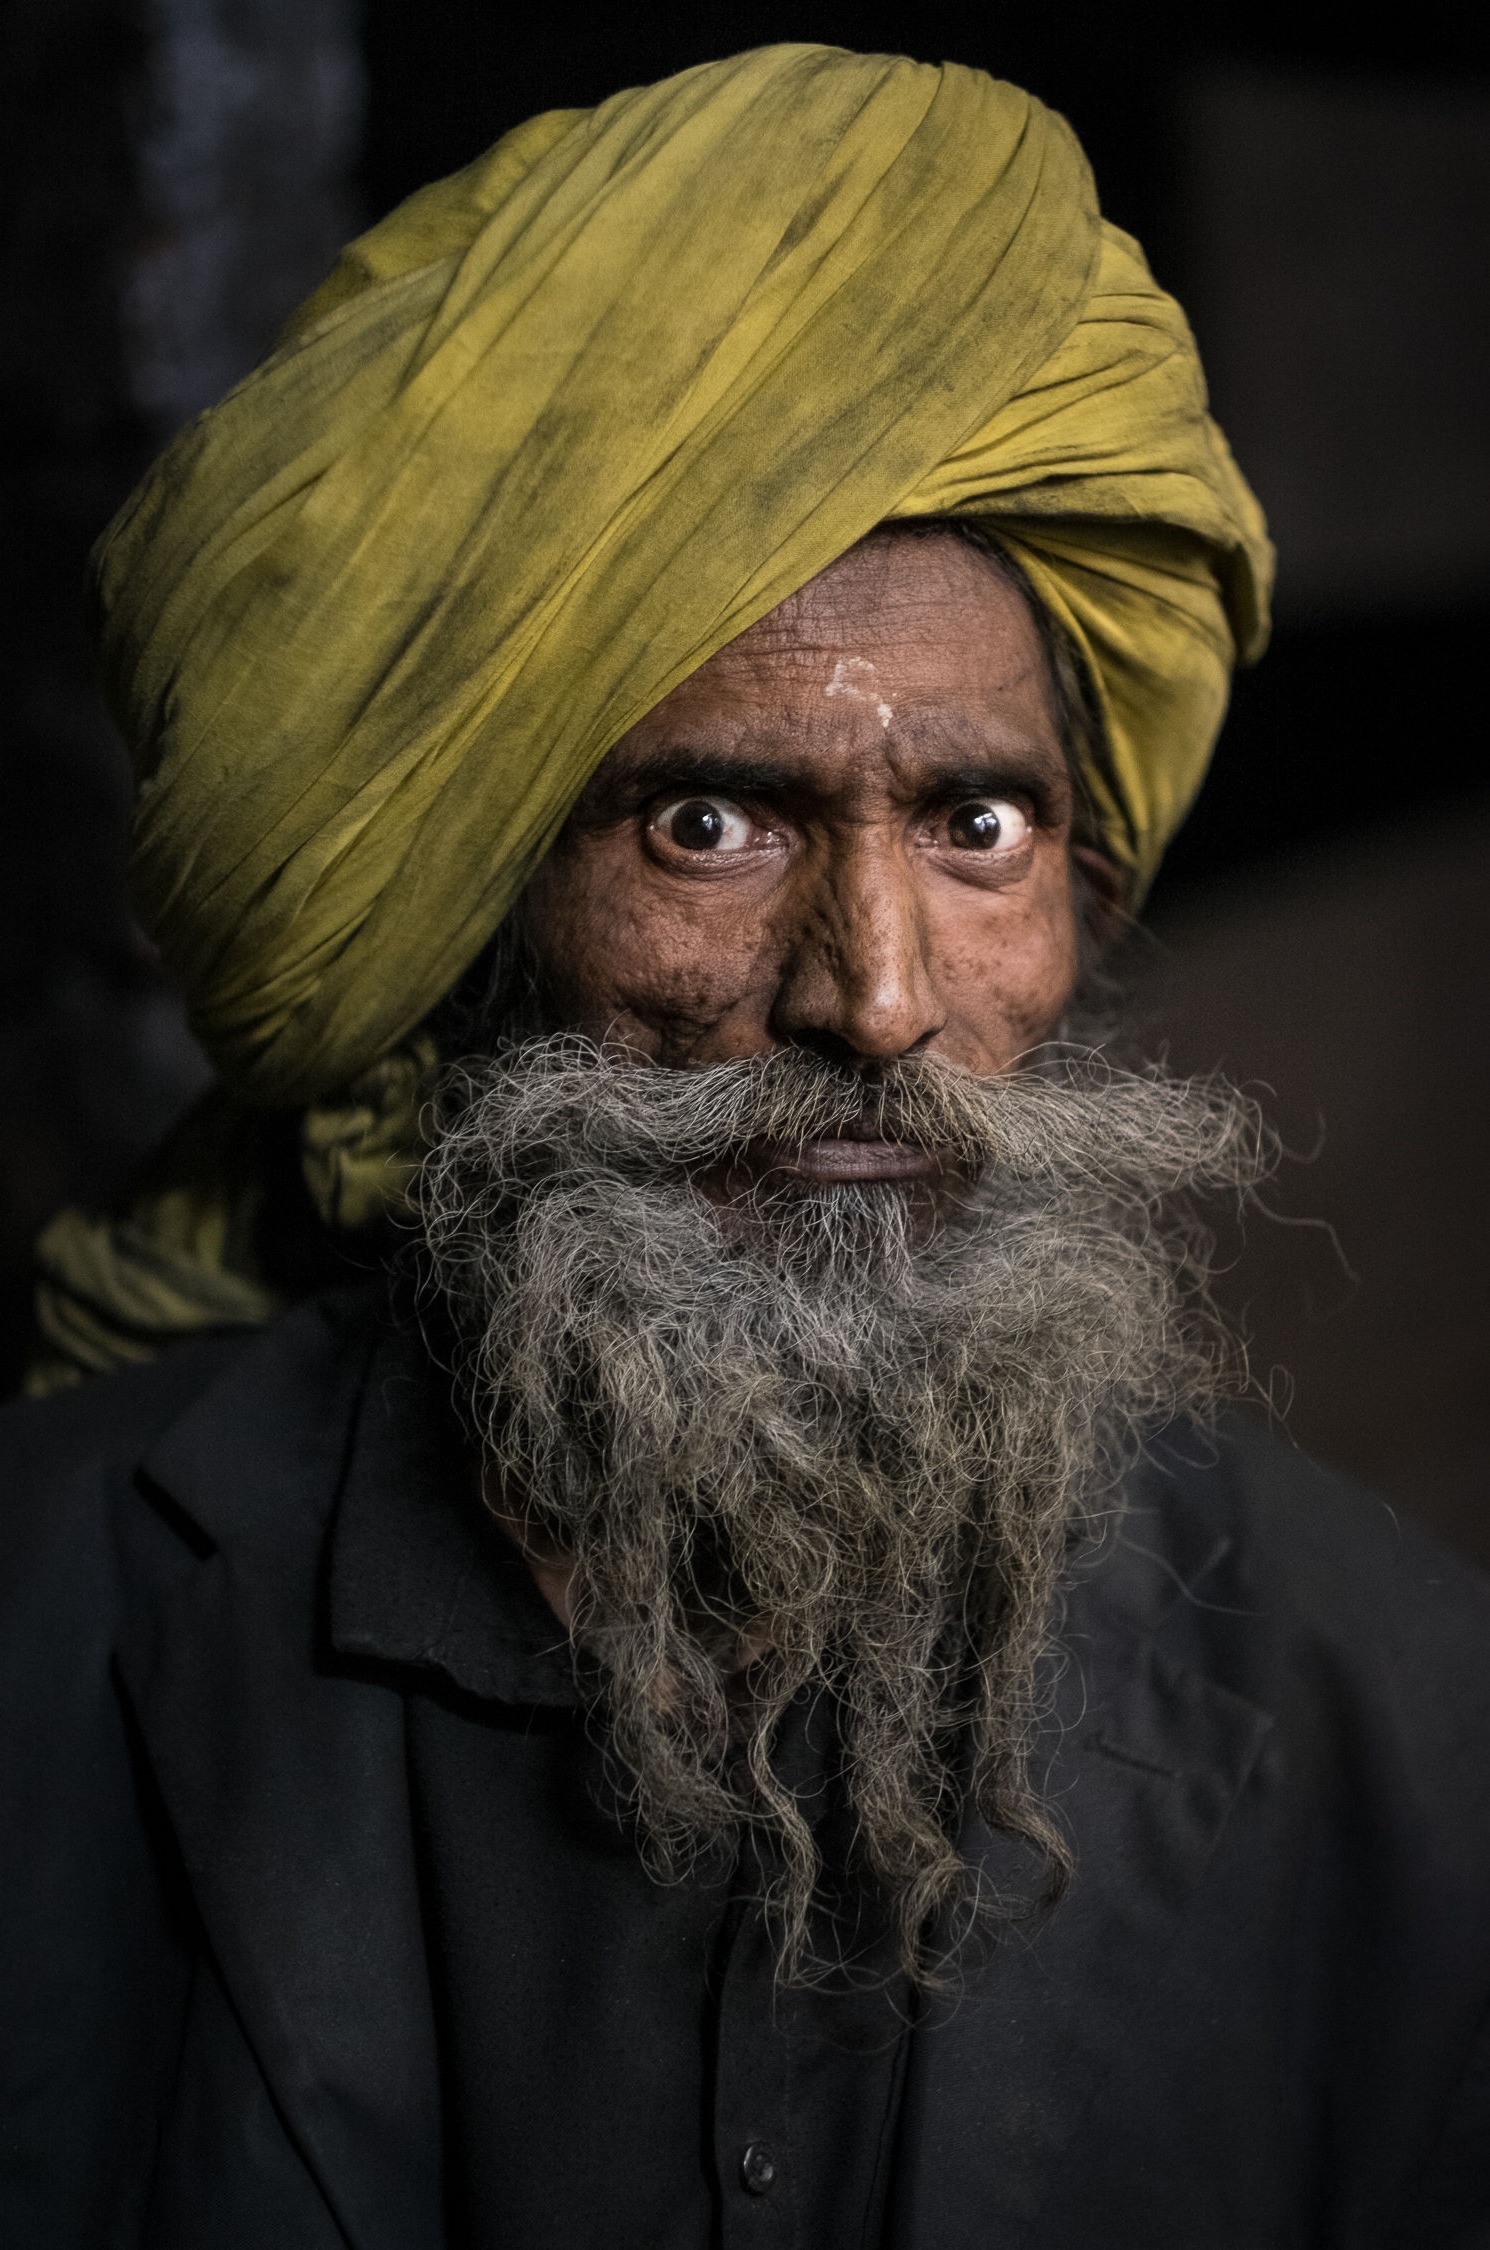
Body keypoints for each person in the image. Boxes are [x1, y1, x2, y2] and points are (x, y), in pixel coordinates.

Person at [2, 44, 1487, 2250]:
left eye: (978, 827)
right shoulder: (46, 1607)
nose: (873, 998)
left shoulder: (1406, 1720)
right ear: (472, 892)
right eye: (708, 822)